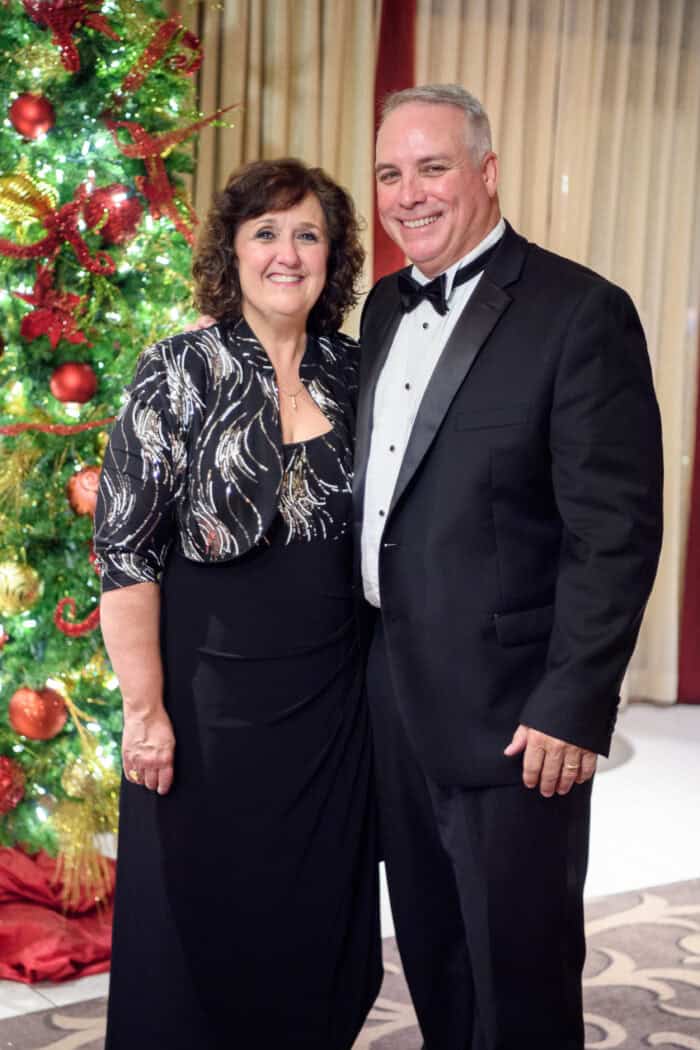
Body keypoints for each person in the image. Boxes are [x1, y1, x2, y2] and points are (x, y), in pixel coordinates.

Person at [356, 84, 663, 1050]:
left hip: (513, 715)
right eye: (390, 173)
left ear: (486, 174)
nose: (409, 195)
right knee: (437, 959)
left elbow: (613, 531)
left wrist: (573, 702)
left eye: (433, 167)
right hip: (391, 695)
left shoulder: (581, 313)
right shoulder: (379, 310)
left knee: (519, 972)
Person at [94, 158, 382, 1050]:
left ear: (333, 257)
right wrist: (146, 713)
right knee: (199, 923)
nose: (287, 253)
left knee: (315, 922)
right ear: (233, 252)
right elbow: (124, 551)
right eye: (266, 232)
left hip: (333, 706)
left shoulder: (360, 370)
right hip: (205, 701)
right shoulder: (176, 369)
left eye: (308, 234)